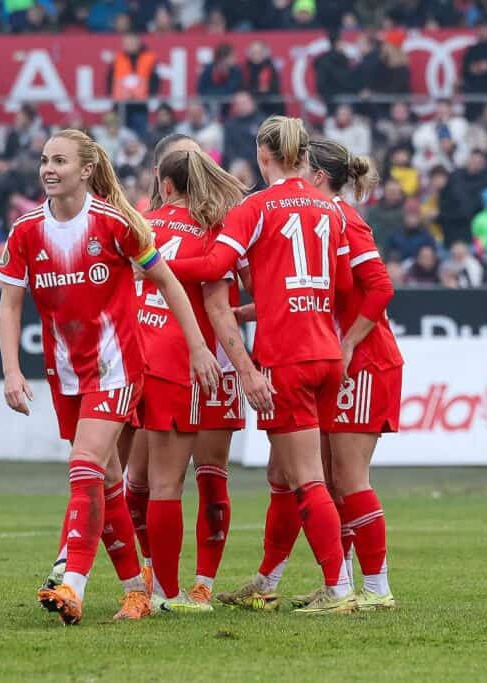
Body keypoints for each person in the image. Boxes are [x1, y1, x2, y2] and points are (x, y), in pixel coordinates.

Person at [0, 128, 221, 625]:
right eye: (44, 160)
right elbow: (9, 305)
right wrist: (11, 370)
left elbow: (170, 283)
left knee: (84, 465)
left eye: (59, 161)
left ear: (86, 169)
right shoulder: (26, 230)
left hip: (117, 370)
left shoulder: (115, 222)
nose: (48, 169)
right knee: (109, 482)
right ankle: (136, 591)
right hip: (65, 374)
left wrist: (199, 347)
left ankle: (71, 582)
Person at [165, 116, 356, 614]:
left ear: (262, 154)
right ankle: (267, 581)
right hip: (326, 352)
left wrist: (153, 264)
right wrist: (268, 302)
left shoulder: (255, 207)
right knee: (284, 474)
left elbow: (213, 267)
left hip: (287, 357)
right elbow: (339, 283)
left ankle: (338, 589)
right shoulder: (331, 208)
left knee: (307, 478)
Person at [138, 146, 274, 613]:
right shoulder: (219, 232)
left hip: (157, 356)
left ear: (166, 181)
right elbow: (234, 296)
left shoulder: (144, 225)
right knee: (200, 477)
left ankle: (174, 582)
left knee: (149, 479)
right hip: (203, 359)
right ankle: (176, 583)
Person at [291, 137, 401, 611]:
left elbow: (381, 287)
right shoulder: (321, 218)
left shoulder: (344, 219)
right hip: (341, 362)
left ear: (317, 176)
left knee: (351, 478)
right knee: (334, 481)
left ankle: (377, 589)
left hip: (366, 362)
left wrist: (351, 342)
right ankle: (343, 584)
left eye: (300, 168)